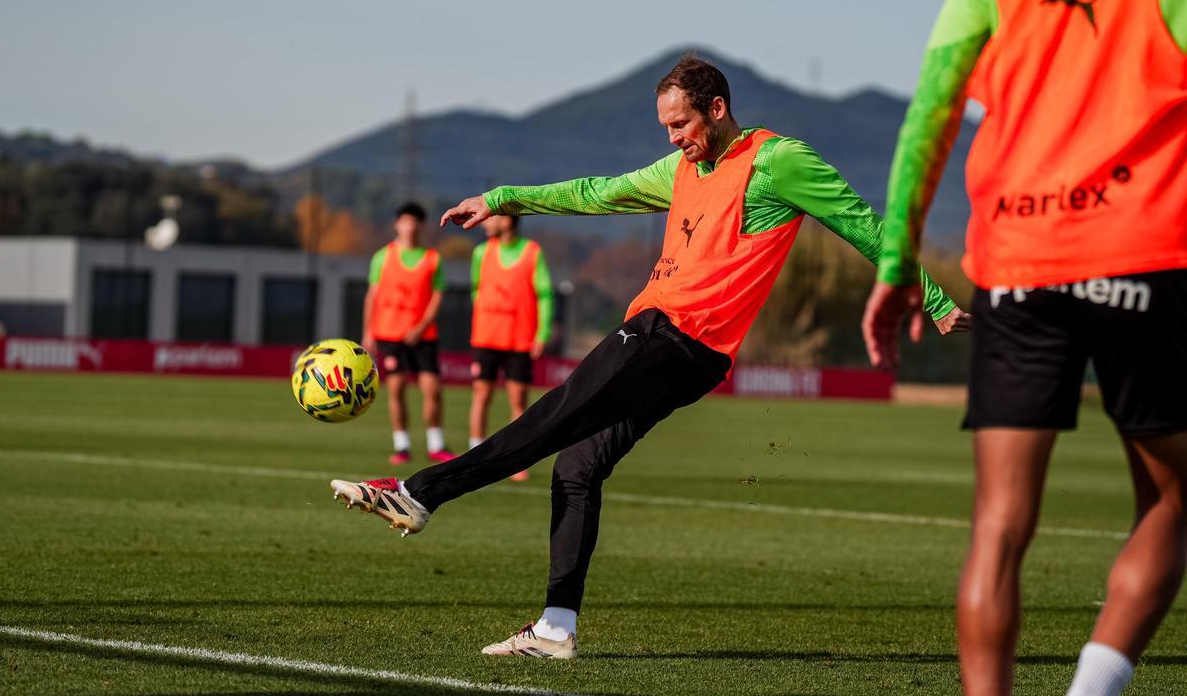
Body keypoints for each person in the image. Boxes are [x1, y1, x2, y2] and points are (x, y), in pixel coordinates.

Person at [334, 54, 969, 659]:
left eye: (681, 125)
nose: (671, 139)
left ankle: (421, 493)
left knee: (555, 413)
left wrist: (933, 299)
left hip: (675, 336)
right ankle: (556, 626)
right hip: (682, 349)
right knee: (576, 467)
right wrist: (503, 199)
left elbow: (866, 224)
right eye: (665, 127)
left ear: (717, 108)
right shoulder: (682, 170)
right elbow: (596, 193)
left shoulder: (779, 161)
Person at [861, 0, 1187, 696]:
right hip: (1143, 250)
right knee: (1177, 498)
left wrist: (900, 259)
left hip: (1017, 258)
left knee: (999, 526)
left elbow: (933, 107)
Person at [362, 202, 457, 465]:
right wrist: (368, 332)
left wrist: (421, 326)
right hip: (389, 333)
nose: (410, 226)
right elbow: (373, 295)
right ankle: (402, 445)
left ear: (422, 226)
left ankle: (436, 444)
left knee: (433, 389)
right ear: (397, 224)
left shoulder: (432, 258)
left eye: (415, 222)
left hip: (423, 336)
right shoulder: (383, 256)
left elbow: (437, 296)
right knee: (396, 390)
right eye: (406, 221)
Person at [468, 214, 555, 482]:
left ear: (506, 220)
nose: (484, 222)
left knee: (518, 399)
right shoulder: (481, 252)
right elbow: (476, 291)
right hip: (486, 337)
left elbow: (545, 294)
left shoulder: (532, 252)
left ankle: (516, 461)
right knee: (481, 394)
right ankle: (474, 457)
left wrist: (542, 333)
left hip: (519, 338)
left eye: (490, 217)